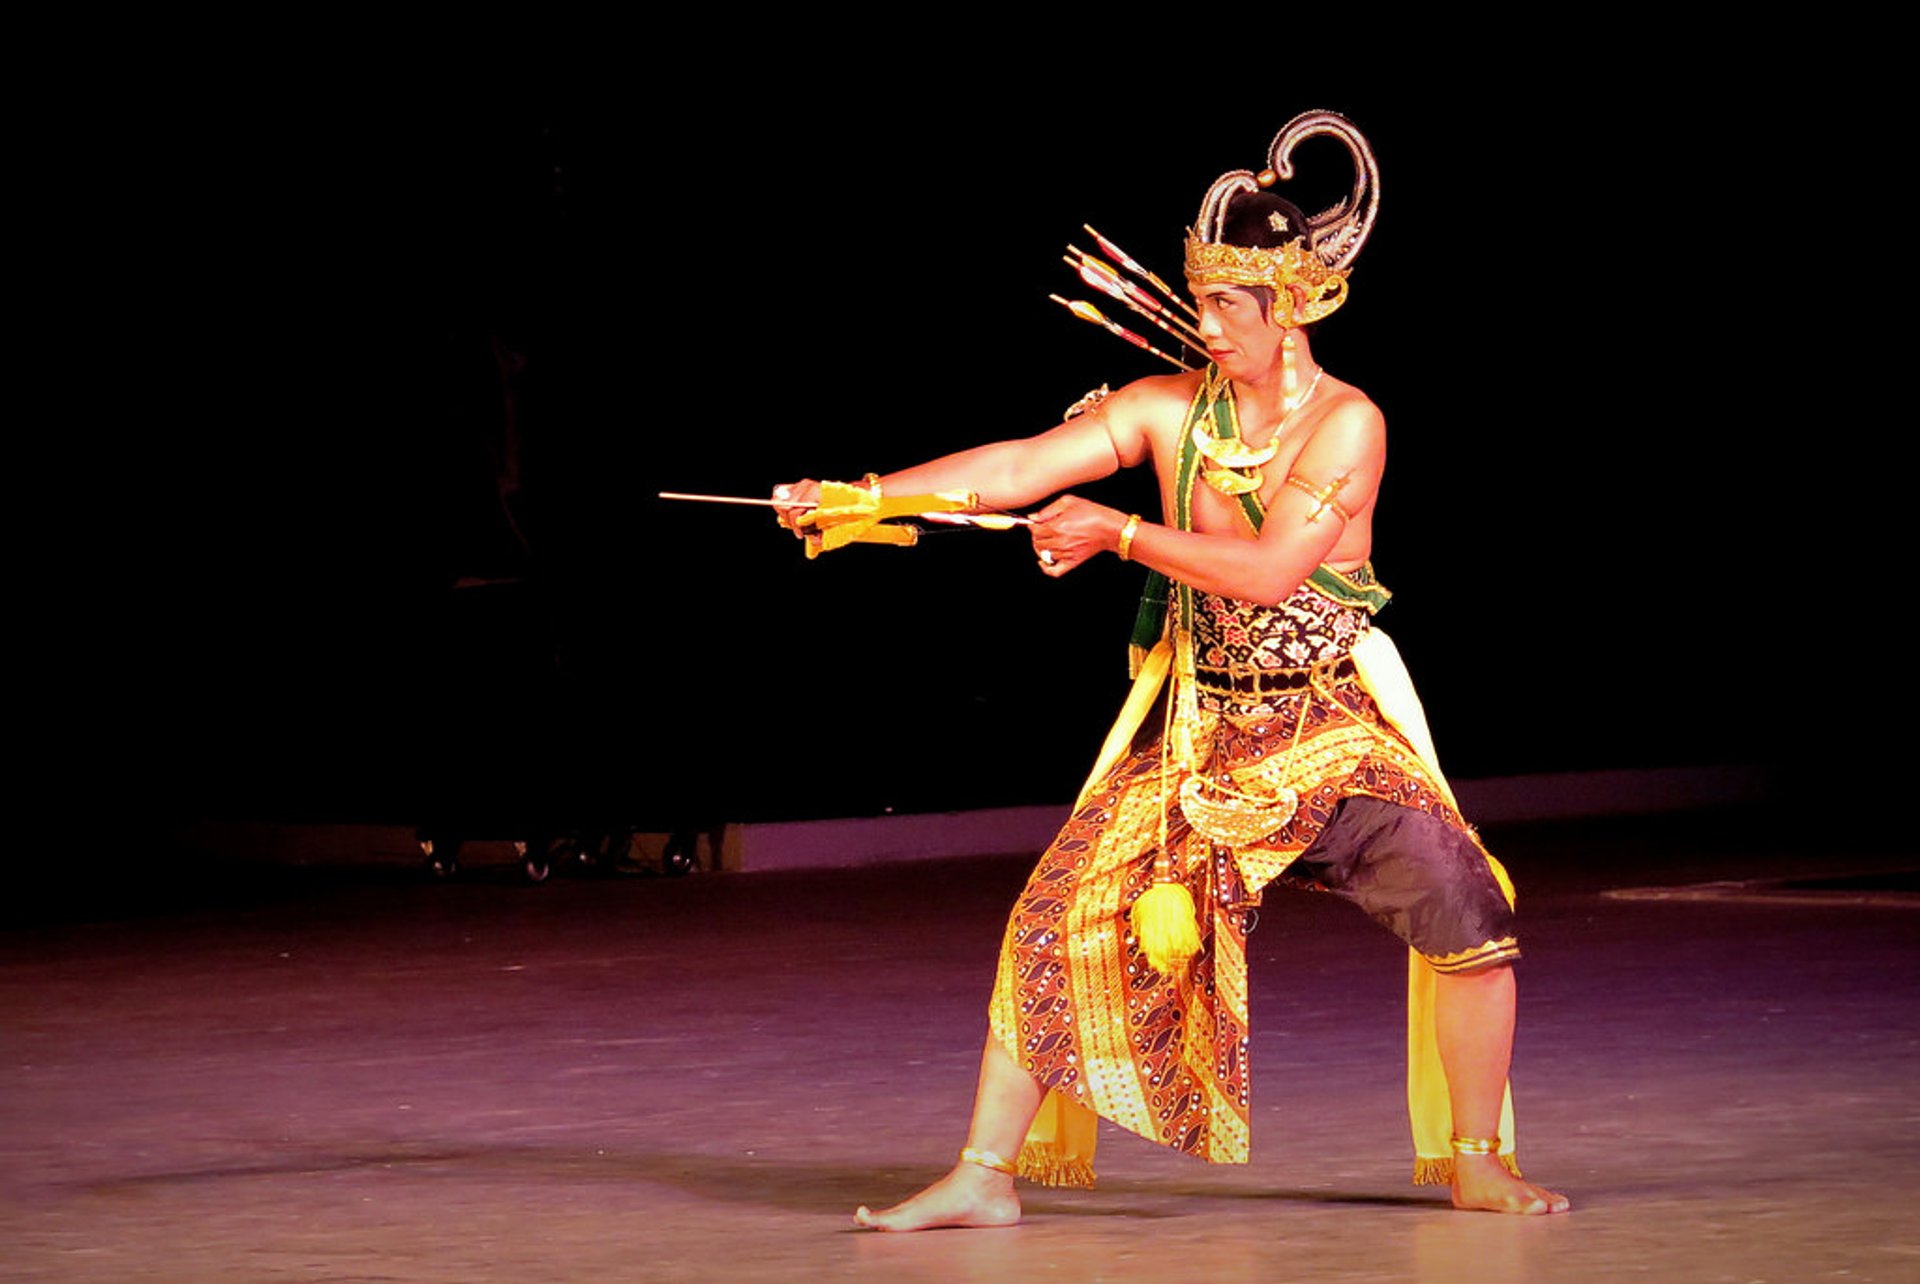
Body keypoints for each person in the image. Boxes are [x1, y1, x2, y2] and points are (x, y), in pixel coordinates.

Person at [776, 111, 1569, 1227]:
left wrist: (1118, 535)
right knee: (1057, 915)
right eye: (1197, 304)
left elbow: (1271, 570)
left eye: (1224, 310)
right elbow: (1015, 466)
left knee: (1467, 909)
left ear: (1287, 309)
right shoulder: (1165, 409)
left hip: (1329, 730)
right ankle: (983, 1176)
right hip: (1201, 733)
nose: (1204, 328)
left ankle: (1477, 1155)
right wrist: (869, 498)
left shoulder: (1350, 426)